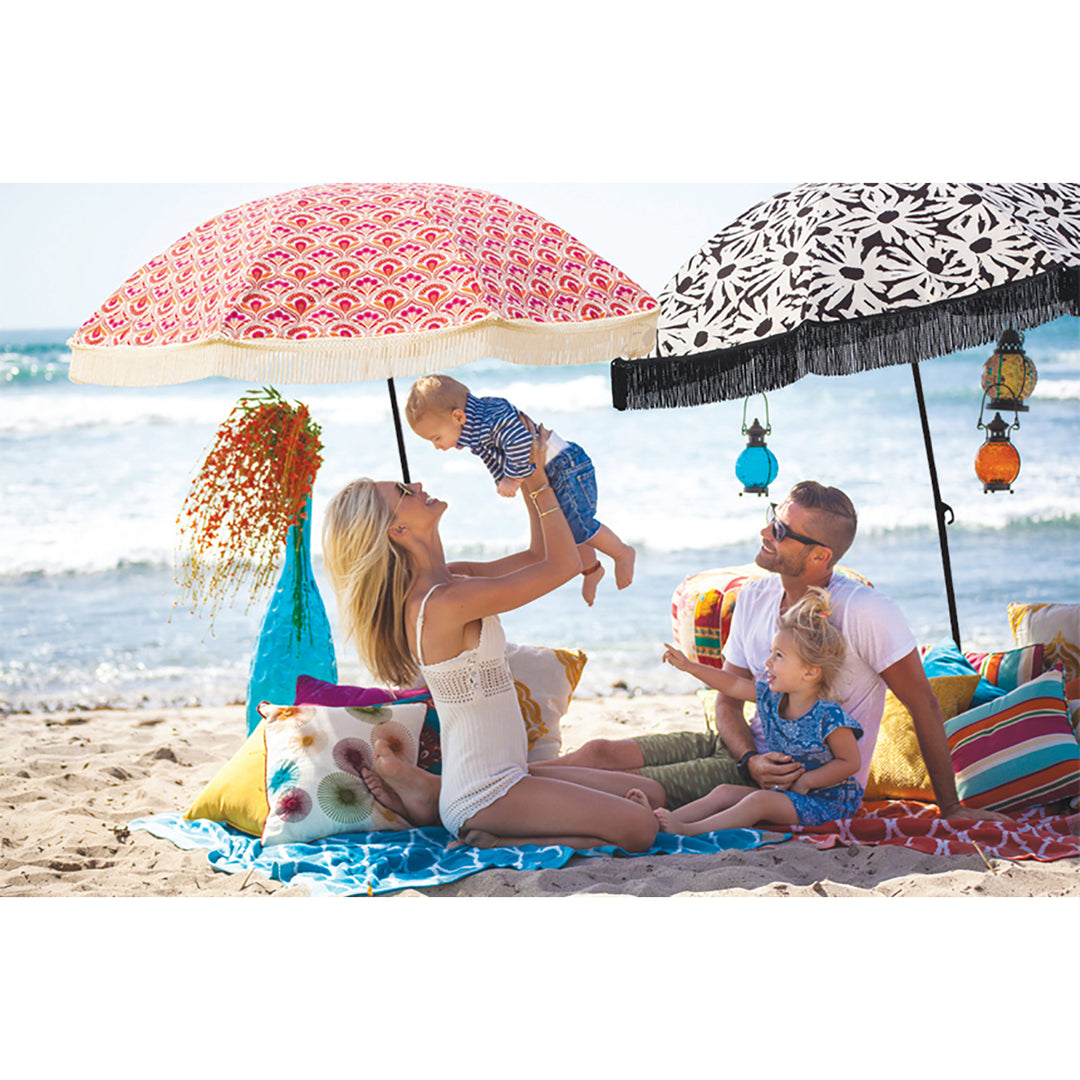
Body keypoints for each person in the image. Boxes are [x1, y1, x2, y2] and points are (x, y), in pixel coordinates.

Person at [536, 481, 1011, 823]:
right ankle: (502, 779)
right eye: (773, 519)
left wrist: (951, 807)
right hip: (745, 754)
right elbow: (728, 700)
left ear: (820, 556)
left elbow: (922, 703)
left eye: (782, 531)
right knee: (599, 750)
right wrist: (747, 758)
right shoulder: (757, 597)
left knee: (630, 789)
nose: (768, 533)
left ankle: (506, 793)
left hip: (792, 780)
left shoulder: (866, 612)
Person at [320, 432, 659, 852]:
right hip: (485, 794)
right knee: (640, 827)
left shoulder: (452, 580)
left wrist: (530, 473)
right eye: (405, 492)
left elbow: (539, 555)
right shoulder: (444, 602)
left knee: (653, 795)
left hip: (510, 774)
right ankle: (493, 837)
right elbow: (564, 564)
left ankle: (474, 817)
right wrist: (533, 476)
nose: (419, 486)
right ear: (399, 529)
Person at [633, 587, 863, 834]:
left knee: (758, 802)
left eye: (778, 656)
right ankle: (659, 822)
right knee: (724, 792)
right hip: (788, 795)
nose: (768, 662)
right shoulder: (770, 698)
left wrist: (808, 781)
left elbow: (850, 762)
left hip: (826, 803)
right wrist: (691, 667)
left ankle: (689, 830)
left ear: (810, 672)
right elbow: (731, 684)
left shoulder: (828, 716)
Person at [404, 373, 634, 606]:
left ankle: (622, 553)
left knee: (578, 524)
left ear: (458, 417)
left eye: (437, 438)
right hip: (550, 468)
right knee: (568, 526)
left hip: (564, 465)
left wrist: (513, 479)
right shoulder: (476, 428)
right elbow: (492, 457)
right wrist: (502, 479)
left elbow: (522, 444)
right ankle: (591, 570)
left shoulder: (491, 420)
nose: (437, 447)